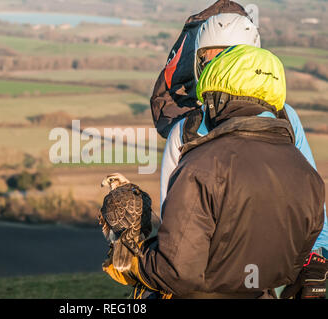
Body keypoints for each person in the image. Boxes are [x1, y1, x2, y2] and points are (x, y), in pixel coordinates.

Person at [103, 45, 326, 299]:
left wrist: (131, 262)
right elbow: (299, 259)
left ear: (220, 101)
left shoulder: (203, 167)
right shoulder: (308, 176)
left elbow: (176, 271)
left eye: (209, 100)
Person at [158, 14, 328, 297]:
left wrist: (315, 264)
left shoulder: (285, 117)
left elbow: (311, 206)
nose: (217, 67)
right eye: (208, 59)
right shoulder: (185, 129)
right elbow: (172, 223)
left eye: (227, 58)